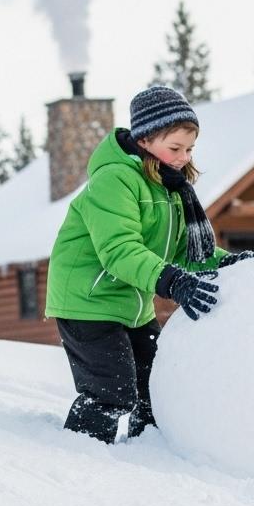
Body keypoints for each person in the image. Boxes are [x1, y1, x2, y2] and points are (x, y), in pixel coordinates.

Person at [45, 86, 224, 443]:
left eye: (189, 149)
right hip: (87, 302)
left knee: (156, 387)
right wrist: (172, 281)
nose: (183, 157)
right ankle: (79, 452)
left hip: (132, 306)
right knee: (112, 389)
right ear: (144, 139)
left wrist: (231, 264)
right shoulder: (115, 179)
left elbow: (184, 251)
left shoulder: (168, 186)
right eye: (175, 148)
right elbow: (120, 250)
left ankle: (149, 455)